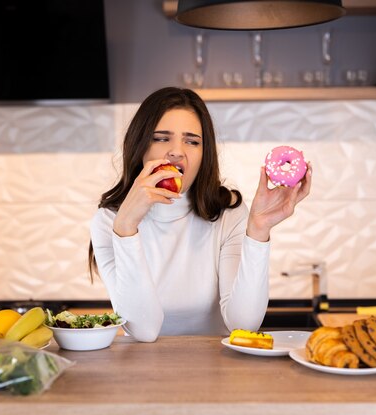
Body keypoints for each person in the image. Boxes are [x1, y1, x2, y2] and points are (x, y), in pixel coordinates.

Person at [89, 87, 311, 342]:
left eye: (192, 141)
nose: (177, 151)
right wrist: (126, 227)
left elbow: (243, 323)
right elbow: (144, 330)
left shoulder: (228, 212)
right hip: (142, 373)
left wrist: (259, 230)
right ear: (139, 146)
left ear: (204, 154)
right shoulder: (110, 221)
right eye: (161, 138)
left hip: (217, 372)